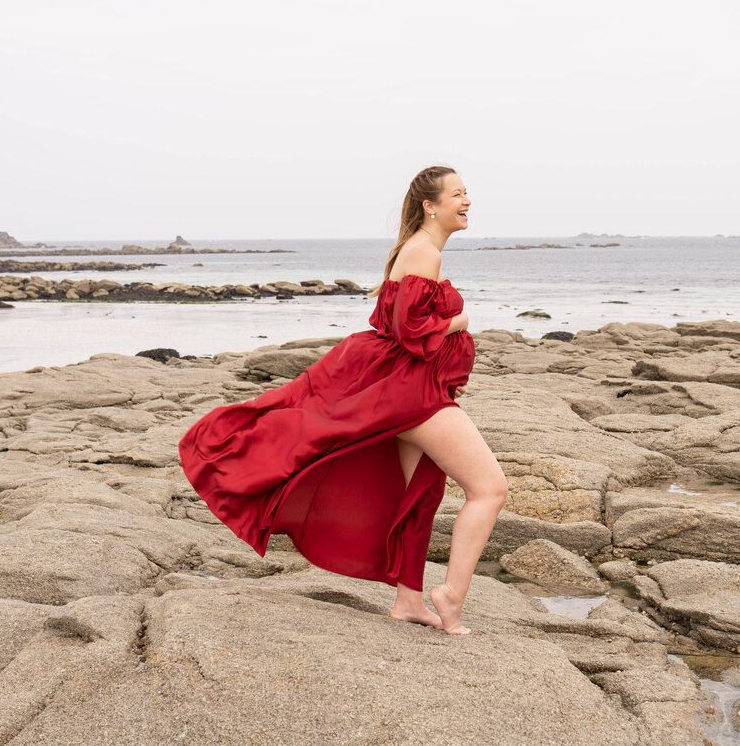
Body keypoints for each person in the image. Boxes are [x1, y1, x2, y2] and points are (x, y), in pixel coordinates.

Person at [178, 165, 508, 635]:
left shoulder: (419, 250)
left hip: (409, 388)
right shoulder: (423, 253)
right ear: (430, 206)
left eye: (467, 192)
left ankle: (409, 600)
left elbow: (394, 320)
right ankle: (450, 598)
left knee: (421, 492)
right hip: (414, 394)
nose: (467, 201)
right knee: (490, 488)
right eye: (458, 194)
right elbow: (409, 331)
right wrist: (461, 321)